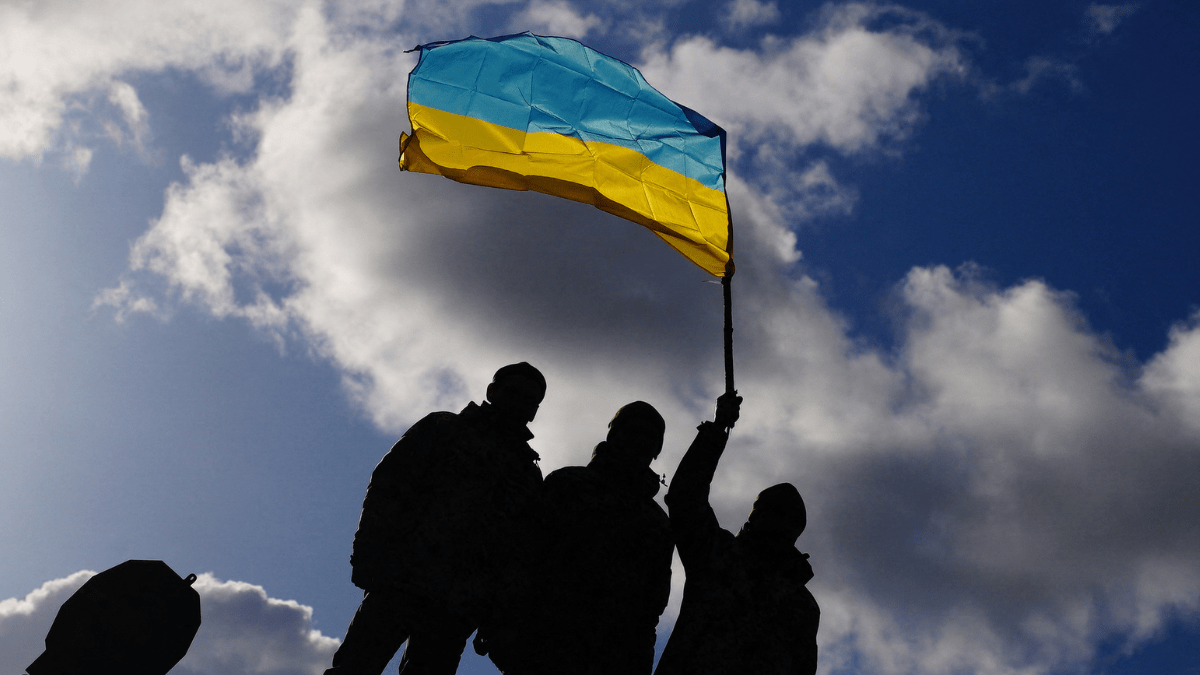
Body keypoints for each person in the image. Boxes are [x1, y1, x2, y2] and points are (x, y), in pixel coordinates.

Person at [325, 363, 546, 675]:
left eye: (528, 400)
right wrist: (367, 553)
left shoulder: (527, 473)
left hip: (458, 606)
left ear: (534, 411)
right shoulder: (443, 428)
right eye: (513, 393)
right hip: (400, 579)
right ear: (492, 392)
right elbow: (389, 485)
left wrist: (495, 615)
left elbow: (518, 551)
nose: (519, 403)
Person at [477, 400, 674, 675]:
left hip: (613, 657)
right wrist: (498, 621)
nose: (640, 442)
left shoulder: (658, 522)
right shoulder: (567, 484)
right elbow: (520, 554)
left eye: (650, 438)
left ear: (657, 450)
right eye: (632, 431)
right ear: (614, 435)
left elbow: (651, 604)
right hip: (543, 644)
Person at [654, 393, 820, 675]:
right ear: (754, 516)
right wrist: (718, 429)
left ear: (795, 531)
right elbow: (685, 497)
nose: (775, 522)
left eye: (785, 518)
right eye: (769, 511)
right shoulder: (718, 554)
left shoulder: (801, 606)